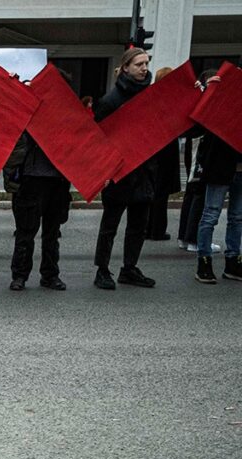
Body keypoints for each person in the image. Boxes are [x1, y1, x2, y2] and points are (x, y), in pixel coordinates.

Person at [92, 47, 157, 289]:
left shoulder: (152, 96)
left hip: (145, 172)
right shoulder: (111, 100)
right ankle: (102, 270)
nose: (144, 68)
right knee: (110, 225)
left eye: (146, 63)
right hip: (118, 173)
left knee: (138, 226)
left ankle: (129, 268)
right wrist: (103, 171)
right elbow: (98, 137)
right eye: (139, 64)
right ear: (126, 67)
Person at [5, 131, 71, 292]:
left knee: (52, 232)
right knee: (26, 231)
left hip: (57, 179)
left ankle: (50, 275)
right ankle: (20, 275)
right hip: (31, 177)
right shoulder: (28, 113)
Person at [193, 69, 241, 283]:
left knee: (237, 217)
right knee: (211, 214)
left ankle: (233, 260)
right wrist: (207, 91)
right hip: (221, 163)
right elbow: (201, 118)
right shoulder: (225, 88)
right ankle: (204, 260)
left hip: (239, 167)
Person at [146, 70, 181, 242]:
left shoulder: (152, 97)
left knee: (153, 192)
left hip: (153, 151)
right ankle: (157, 230)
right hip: (166, 151)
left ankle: (149, 228)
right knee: (161, 194)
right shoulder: (169, 99)